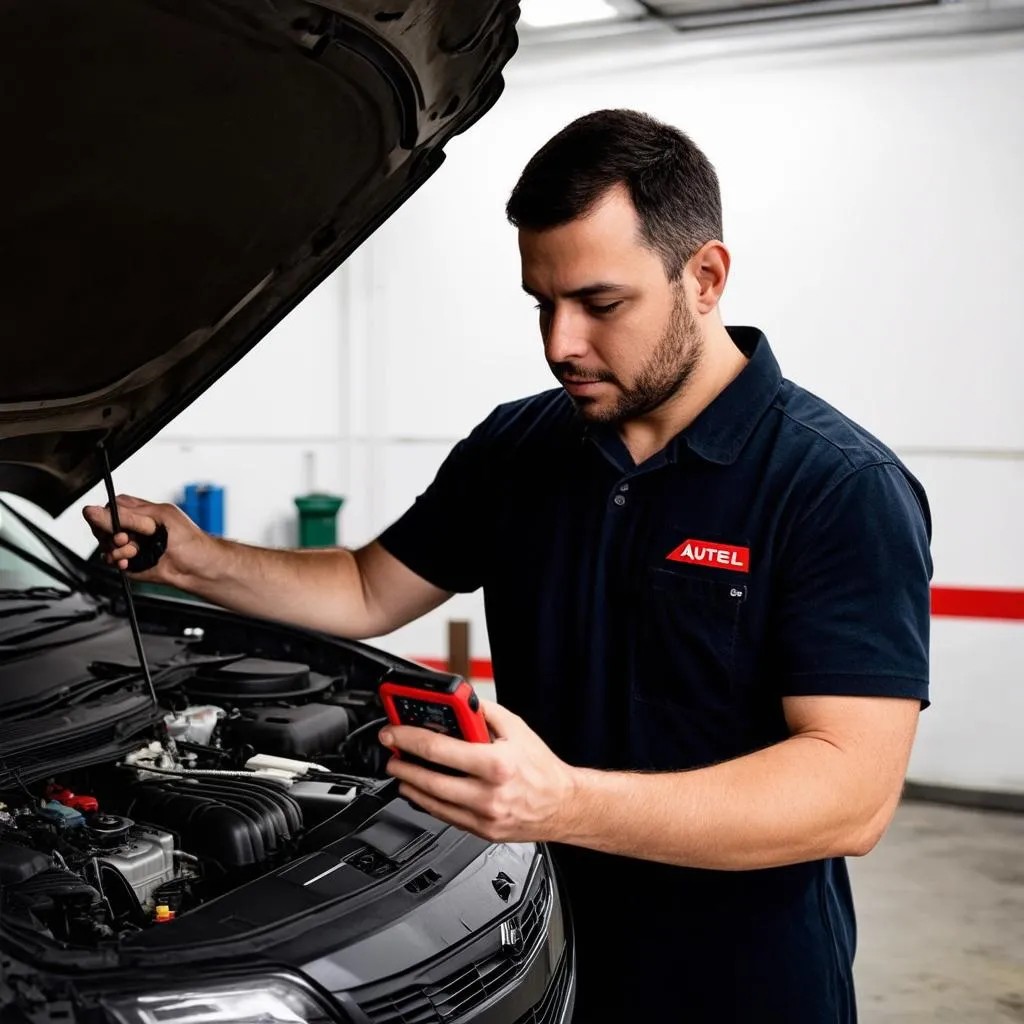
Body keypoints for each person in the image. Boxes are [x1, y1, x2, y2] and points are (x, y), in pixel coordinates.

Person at [84, 109, 932, 1022]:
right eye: (542, 303)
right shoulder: (521, 446)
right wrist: (197, 556)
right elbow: (370, 588)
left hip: (738, 985)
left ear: (706, 277)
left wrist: (562, 803)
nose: (559, 343)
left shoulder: (836, 486)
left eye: (600, 305)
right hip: (533, 951)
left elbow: (849, 795)